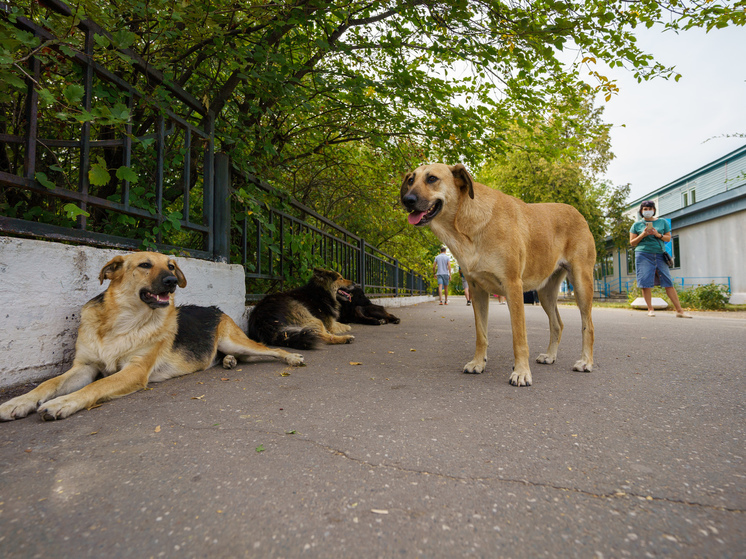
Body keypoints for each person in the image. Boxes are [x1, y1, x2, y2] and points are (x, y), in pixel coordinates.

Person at [629, 200, 692, 318]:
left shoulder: (662, 222)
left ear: (654, 210)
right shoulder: (636, 225)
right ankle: (650, 309)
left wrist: (658, 235)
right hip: (643, 254)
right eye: (645, 209)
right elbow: (632, 243)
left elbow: (668, 238)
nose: (648, 211)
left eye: (650, 209)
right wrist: (643, 234)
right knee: (645, 282)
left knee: (668, 281)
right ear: (641, 211)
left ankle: (679, 311)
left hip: (659, 254)